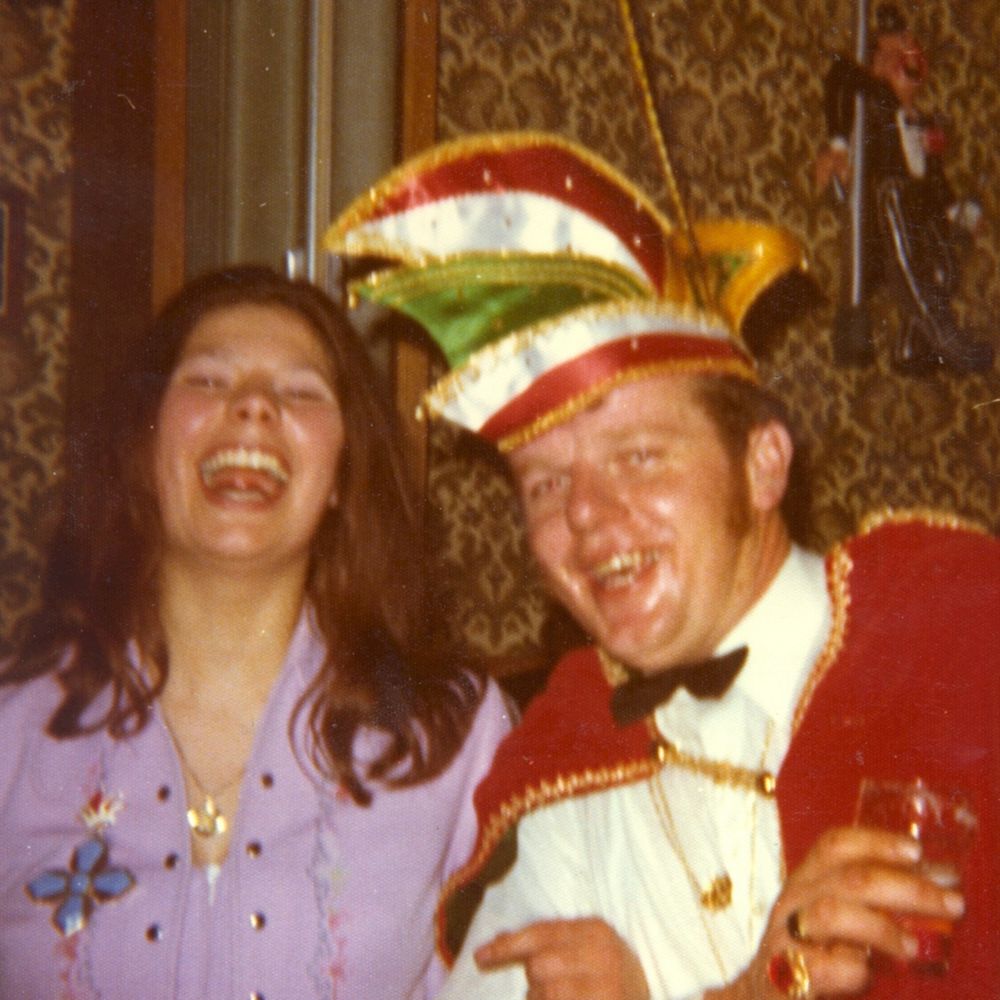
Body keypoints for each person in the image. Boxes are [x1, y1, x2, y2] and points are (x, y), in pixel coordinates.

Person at [326, 133, 999, 1000]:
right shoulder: (562, 766)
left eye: (639, 457)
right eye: (545, 486)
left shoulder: (959, 634)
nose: (585, 515)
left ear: (763, 465)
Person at [0, 265, 512, 999]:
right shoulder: (15, 727)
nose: (252, 407)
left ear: (341, 477)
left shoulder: (457, 737)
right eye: (208, 380)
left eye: (300, 392)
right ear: (145, 445)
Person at [814, 2, 993, 374]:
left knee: (944, 267)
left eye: (908, 60)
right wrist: (838, 147)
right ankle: (948, 339)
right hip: (882, 227)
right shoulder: (874, 105)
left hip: (921, 223)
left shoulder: (924, 123)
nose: (901, 66)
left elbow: (935, 183)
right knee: (894, 195)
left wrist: (957, 211)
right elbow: (840, 77)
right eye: (889, 59)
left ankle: (911, 348)